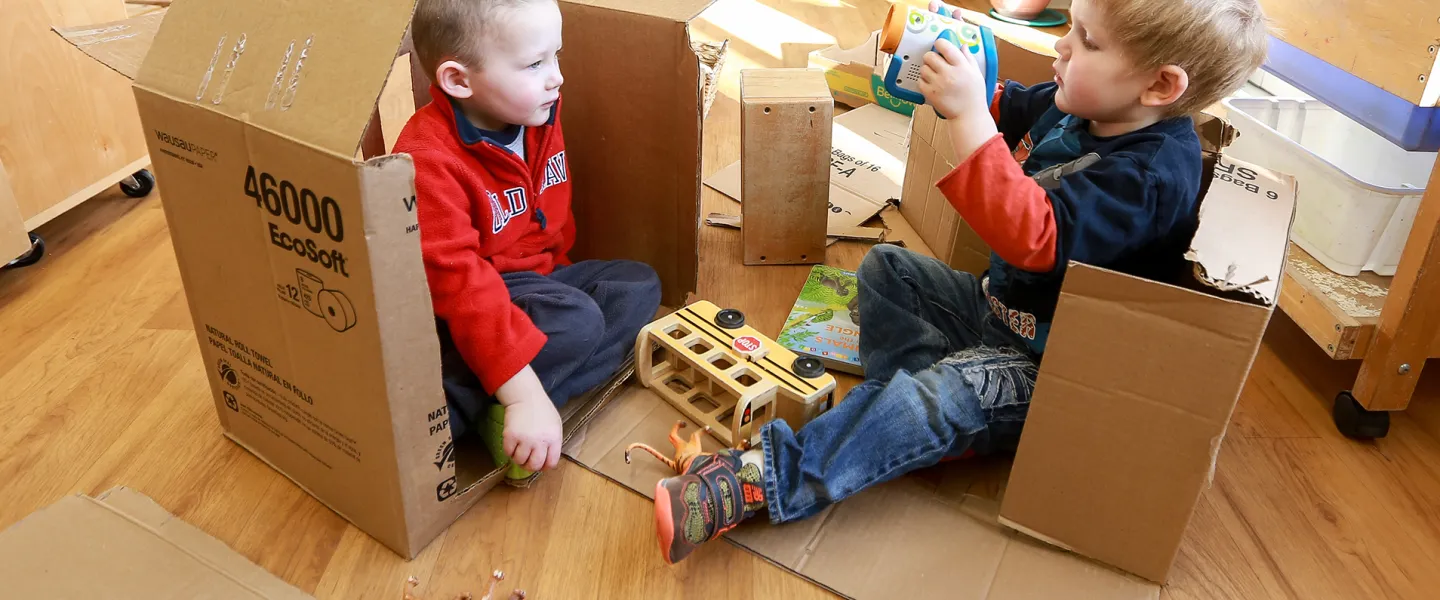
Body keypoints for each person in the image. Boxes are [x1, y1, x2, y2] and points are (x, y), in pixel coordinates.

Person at [649, 0, 1269, 563]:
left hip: (1051, 370)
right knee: (886, 268)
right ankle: (904, 428)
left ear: (1159, 86)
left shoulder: (1152, 177)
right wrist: (956, 80)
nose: (1062, 46)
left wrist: (969, 112)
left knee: (934, 399)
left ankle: (761, 477)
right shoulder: (1088, 102)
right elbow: (1011, 104)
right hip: (995, 310)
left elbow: (1034, 235)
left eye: (1086, 40)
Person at [394, 0, 662, 482]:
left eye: (556, 55)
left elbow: (551, 223)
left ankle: (501, 405)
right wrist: (523, 392)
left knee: (637, 284)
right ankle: (475, 402)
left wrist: (564, 283)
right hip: (471, 305)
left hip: (541, 283)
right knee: (579, 322)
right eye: (535, 63)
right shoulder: (428, 159)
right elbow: (459, 286)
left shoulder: (536, 110)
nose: (556, 76)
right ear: (459, 81)